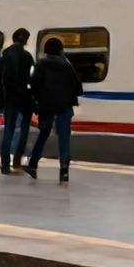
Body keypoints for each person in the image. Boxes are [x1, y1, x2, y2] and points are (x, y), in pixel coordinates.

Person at [25, 37, 83, 183]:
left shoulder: (41, 65)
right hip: (64, 107)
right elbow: (78, 88)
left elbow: (33, 85)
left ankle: (33, 164)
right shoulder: (67, 66)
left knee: (43, 134)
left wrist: (39, 100)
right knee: (64, 138)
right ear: (61, 50)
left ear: (46, 50)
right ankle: (64, 170)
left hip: (46, 107)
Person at [0, 29, 34, 174]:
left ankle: (4, 164)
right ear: (26, 40)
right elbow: (31, 79)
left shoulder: (4, 56)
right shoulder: (28, 57)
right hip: (25, 98)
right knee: (23, 131)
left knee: (8, 130)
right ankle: (17, 161)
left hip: (9, 98)